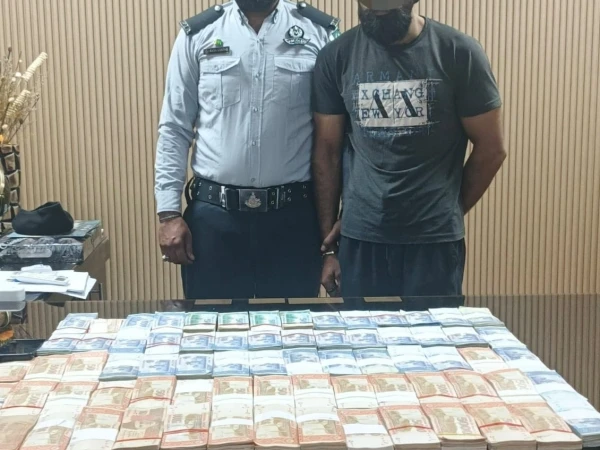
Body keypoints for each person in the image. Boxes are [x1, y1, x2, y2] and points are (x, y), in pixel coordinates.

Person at [312, 0, 507, 298]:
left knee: (433, 330)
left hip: (433, 245)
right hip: (361, 240)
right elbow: (327, 153)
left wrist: (449, 210)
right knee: (362, 330)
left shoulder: (458, 52)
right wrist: (329, 249)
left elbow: (492, 149)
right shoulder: (337, 56)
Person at [155, 0, 340, 299]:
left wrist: (334, 233)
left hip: (293, 221)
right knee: (213, 325)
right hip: (213, 221)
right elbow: (174, 128)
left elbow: (336, 139)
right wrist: (168, 214)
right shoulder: (198, 34)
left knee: (293, 326)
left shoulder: (319, 33)